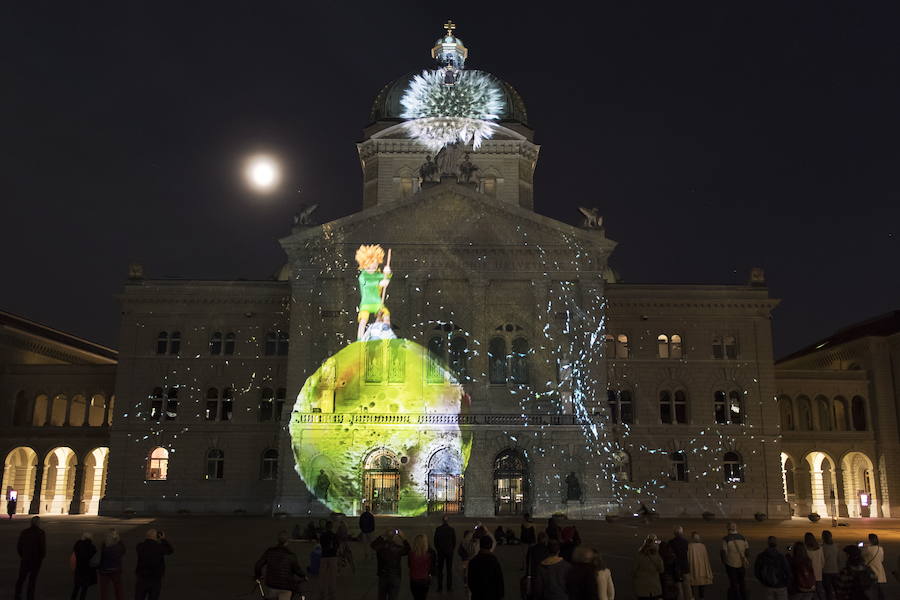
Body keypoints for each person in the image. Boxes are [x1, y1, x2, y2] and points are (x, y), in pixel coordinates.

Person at [254, 530, 307, 600]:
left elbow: (258, 565)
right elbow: (297, 570)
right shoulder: (291, 555)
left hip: (272, 584)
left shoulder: (270, 551)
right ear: (287, 541)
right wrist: (304, 576)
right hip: (286, 586)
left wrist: (258, 575)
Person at [135, 528, 174, 600]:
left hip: (142, 578)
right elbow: (170, 550)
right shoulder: (159, 547)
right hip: (155, 578)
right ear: (156, 537)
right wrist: (163, 539)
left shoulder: (140, 546)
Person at [372, 529, 411, 600]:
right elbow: (408, 550)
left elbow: (373, 545)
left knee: (381, 596)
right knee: (393, 596)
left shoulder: (380, 547)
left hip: (383, 574)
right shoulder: (398, 548)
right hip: (395, 575)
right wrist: (403, 538)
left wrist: (382, 535)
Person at [15, 516, 45, 600]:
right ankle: (30, 596)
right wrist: (41, 557)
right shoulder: (41, 533)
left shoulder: (24, 532)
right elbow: (42, 547)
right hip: (36, 560)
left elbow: (19, 546)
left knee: (21, 578)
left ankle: (17, 594)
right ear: (38, 523)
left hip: (25, 559)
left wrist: (23, 555)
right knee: (32, 580)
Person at [468, 535, 504, 600]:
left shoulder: (473, 561)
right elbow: (499, 580)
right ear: (490, 546)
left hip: (477, 595)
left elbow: (470, 581)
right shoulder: (494, 561)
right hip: (492, 595)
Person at [721, 522, 750, 600]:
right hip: (741, 563)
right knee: (742, 582)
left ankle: (735, 597)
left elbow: (724, 552)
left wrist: (724, 562)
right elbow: (747, 551)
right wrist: (745, 558)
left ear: (728, 528)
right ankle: (744, 597)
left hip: (731, 564)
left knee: (733, 583)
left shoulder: (725, 539)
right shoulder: (743, 537)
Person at [97, 528, 126, 600]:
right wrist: (119, 541)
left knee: (104, 590)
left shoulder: (104, 545)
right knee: (118, 589)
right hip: (116, 569)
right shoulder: (119, 546)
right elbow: (123, 551)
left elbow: (100, 555)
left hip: (104, 570)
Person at [633, 535, 664, 600]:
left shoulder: (639, 556)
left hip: (642, 588)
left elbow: (634, 570)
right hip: (654, 588)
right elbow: (661, 570)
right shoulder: (657, 557)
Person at [71, 532, 98, 600]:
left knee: (76, 588)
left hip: (78, 570)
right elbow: (95, 561)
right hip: (87, 572)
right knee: (84, 590)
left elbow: (73, 558)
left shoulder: (77, 545)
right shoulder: (92, 547)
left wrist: (73, 568)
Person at [409, 534, 435, 600]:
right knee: (423, 597)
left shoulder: (411, 554)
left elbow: (409, 565)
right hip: (424, 579)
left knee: (416, 597)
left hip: (414, 580)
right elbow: (432, 567)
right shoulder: (429, 555)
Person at [434, 516, 457, 592]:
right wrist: (451, 549)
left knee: (440, 570)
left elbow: (435, 541)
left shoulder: (438, 529)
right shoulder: (451, 529)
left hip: (440, 551)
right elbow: (454, 542)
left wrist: (438, 549)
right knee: (449, 570)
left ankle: (439, 587)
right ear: (448, 521)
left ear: (442, 521)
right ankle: (449, 587)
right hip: (449, 552)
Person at [688, 532, 713, 599]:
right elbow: (705, 558)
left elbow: (688, 557)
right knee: (702, 584)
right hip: (702, 568)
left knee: (692, 583)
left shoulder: (690, 546)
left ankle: (692, 597)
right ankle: (701, 597)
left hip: (693, 568)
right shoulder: (702, 546)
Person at [860, 534, 885, 599]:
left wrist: (860, 547)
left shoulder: (868, 549)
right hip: (879, 572)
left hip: (871, 572)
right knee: (879, 590)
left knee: (870, 591)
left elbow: (861, 556)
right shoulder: (880, 549)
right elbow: (882, 559)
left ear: (870, 540)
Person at [319, 520, 339, 600]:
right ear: (331, 527)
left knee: (323, 577)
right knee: (332, 577)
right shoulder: (334, 535)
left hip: (324, 556)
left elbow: (321, 544)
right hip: (333, 557)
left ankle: (323, 594)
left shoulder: (323, 535)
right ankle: (332, 594)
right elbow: (337, 545)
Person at [670, 527, 692, 600]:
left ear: (675, 534)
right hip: (685, 566)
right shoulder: (685, 542)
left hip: (676, 567)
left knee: (679, 587)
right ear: (681, 533)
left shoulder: (671, 542)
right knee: (687, 587)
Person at [804, 533, 825, 600]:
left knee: (812, 593)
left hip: (809, 575)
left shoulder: (806, 550)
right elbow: (823, 561)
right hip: (818, 574)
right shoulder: (820, 548)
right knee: (820, 592)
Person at [821, 531, 840, 600]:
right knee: (836, 590)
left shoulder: (823, 548)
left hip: (826, 571)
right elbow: (838, 558)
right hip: (835, 570)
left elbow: (822, 561)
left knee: (828, 591)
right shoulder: (835, 546)